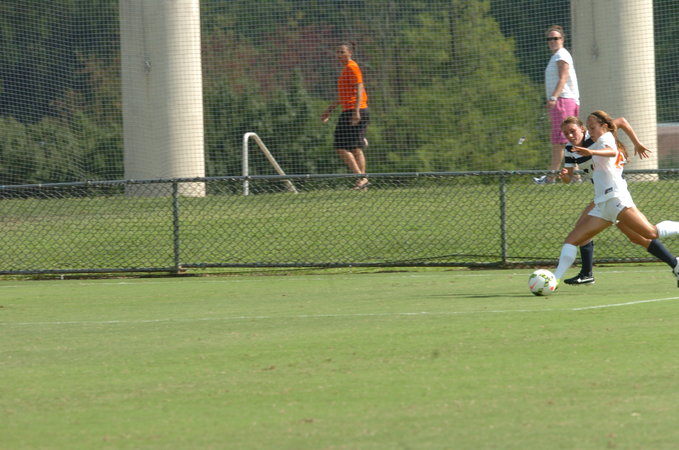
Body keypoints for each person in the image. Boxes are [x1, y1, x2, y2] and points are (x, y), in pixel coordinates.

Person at [553, 110, 679, 287]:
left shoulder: (601, 137)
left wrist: (637, 143)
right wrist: (565, 175)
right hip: (602, 200)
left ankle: (586, 273)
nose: (570, 135)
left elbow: (616, 137)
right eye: (566, 133)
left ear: (583, 128)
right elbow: (568, 178)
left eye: (573, 130)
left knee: (649, 233)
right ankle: (559, 279)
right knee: (633, 237)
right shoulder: (571, 148)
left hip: (615, 195)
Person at [321, 42, 370, 190]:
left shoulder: (352, 67)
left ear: (350, 53)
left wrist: (356, 112)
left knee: (341, 146)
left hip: (354, 111)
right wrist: (330, 109)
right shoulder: (345, 69)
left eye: (342, 52)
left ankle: (361, 178)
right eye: (337, 52)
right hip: (349, 110)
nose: (339, 55)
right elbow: (345, 95)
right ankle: (362, 182)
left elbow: (359, 88)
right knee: (355, 147)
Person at [534, 25, 580, 185]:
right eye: (549, 39)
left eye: (555, 38)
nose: (552, 41)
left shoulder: (561, 55)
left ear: (562, 39)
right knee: (567, 141)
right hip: (563, 101)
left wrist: (553, 97)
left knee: (558, 142)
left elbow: (563, 78)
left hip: (563, 101)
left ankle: (550, 177)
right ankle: (576, 176)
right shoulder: (557, 56)